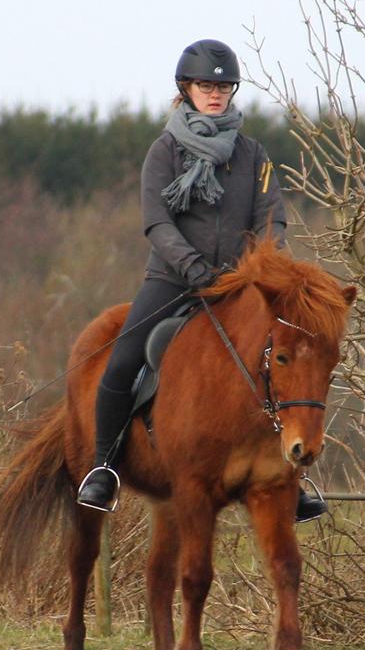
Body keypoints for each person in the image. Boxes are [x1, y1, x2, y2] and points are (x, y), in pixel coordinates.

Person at [75, 38, 327, 523]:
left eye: (223, 86)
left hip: (239, 282)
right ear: (186, 89)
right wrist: (191, 266)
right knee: (124, 357)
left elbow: (271, 215)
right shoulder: (164, 152)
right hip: (174, 278)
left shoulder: (253, 155)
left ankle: (290, 480)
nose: (215, 93)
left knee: (288, 358)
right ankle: (104, 468)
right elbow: (156, 221)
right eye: (206, 85)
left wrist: (262, 264)